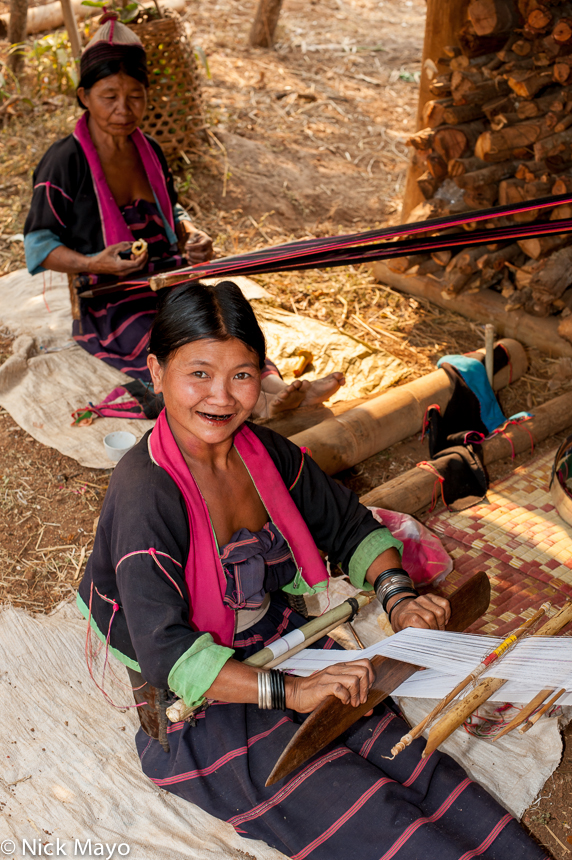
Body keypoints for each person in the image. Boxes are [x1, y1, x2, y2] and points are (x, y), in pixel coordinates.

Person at [77, 280, 544, 860]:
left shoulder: (266, 454)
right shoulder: (145, 492)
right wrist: (292, 691)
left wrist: (398, 594)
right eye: (199, 373)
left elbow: (350, 527)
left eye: (242, 375)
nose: (221, 397)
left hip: (278, 642)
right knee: (375, 816)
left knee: (421, 769)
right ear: (156, 370)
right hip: (199, 705)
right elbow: (168, 655)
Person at [23, 14, 343, 417]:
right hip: (113, 297)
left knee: (224, 317)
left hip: (172, 277)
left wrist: (191, 233)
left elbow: (172, 209)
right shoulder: (64, 162)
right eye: (109, 97)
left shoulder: (150, 150)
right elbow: (38, 246)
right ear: (84, 96)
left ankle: (273, 385)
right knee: (170, 341)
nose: (124, 109)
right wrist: (94, 262)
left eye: (135, 96)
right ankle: (258, 405)